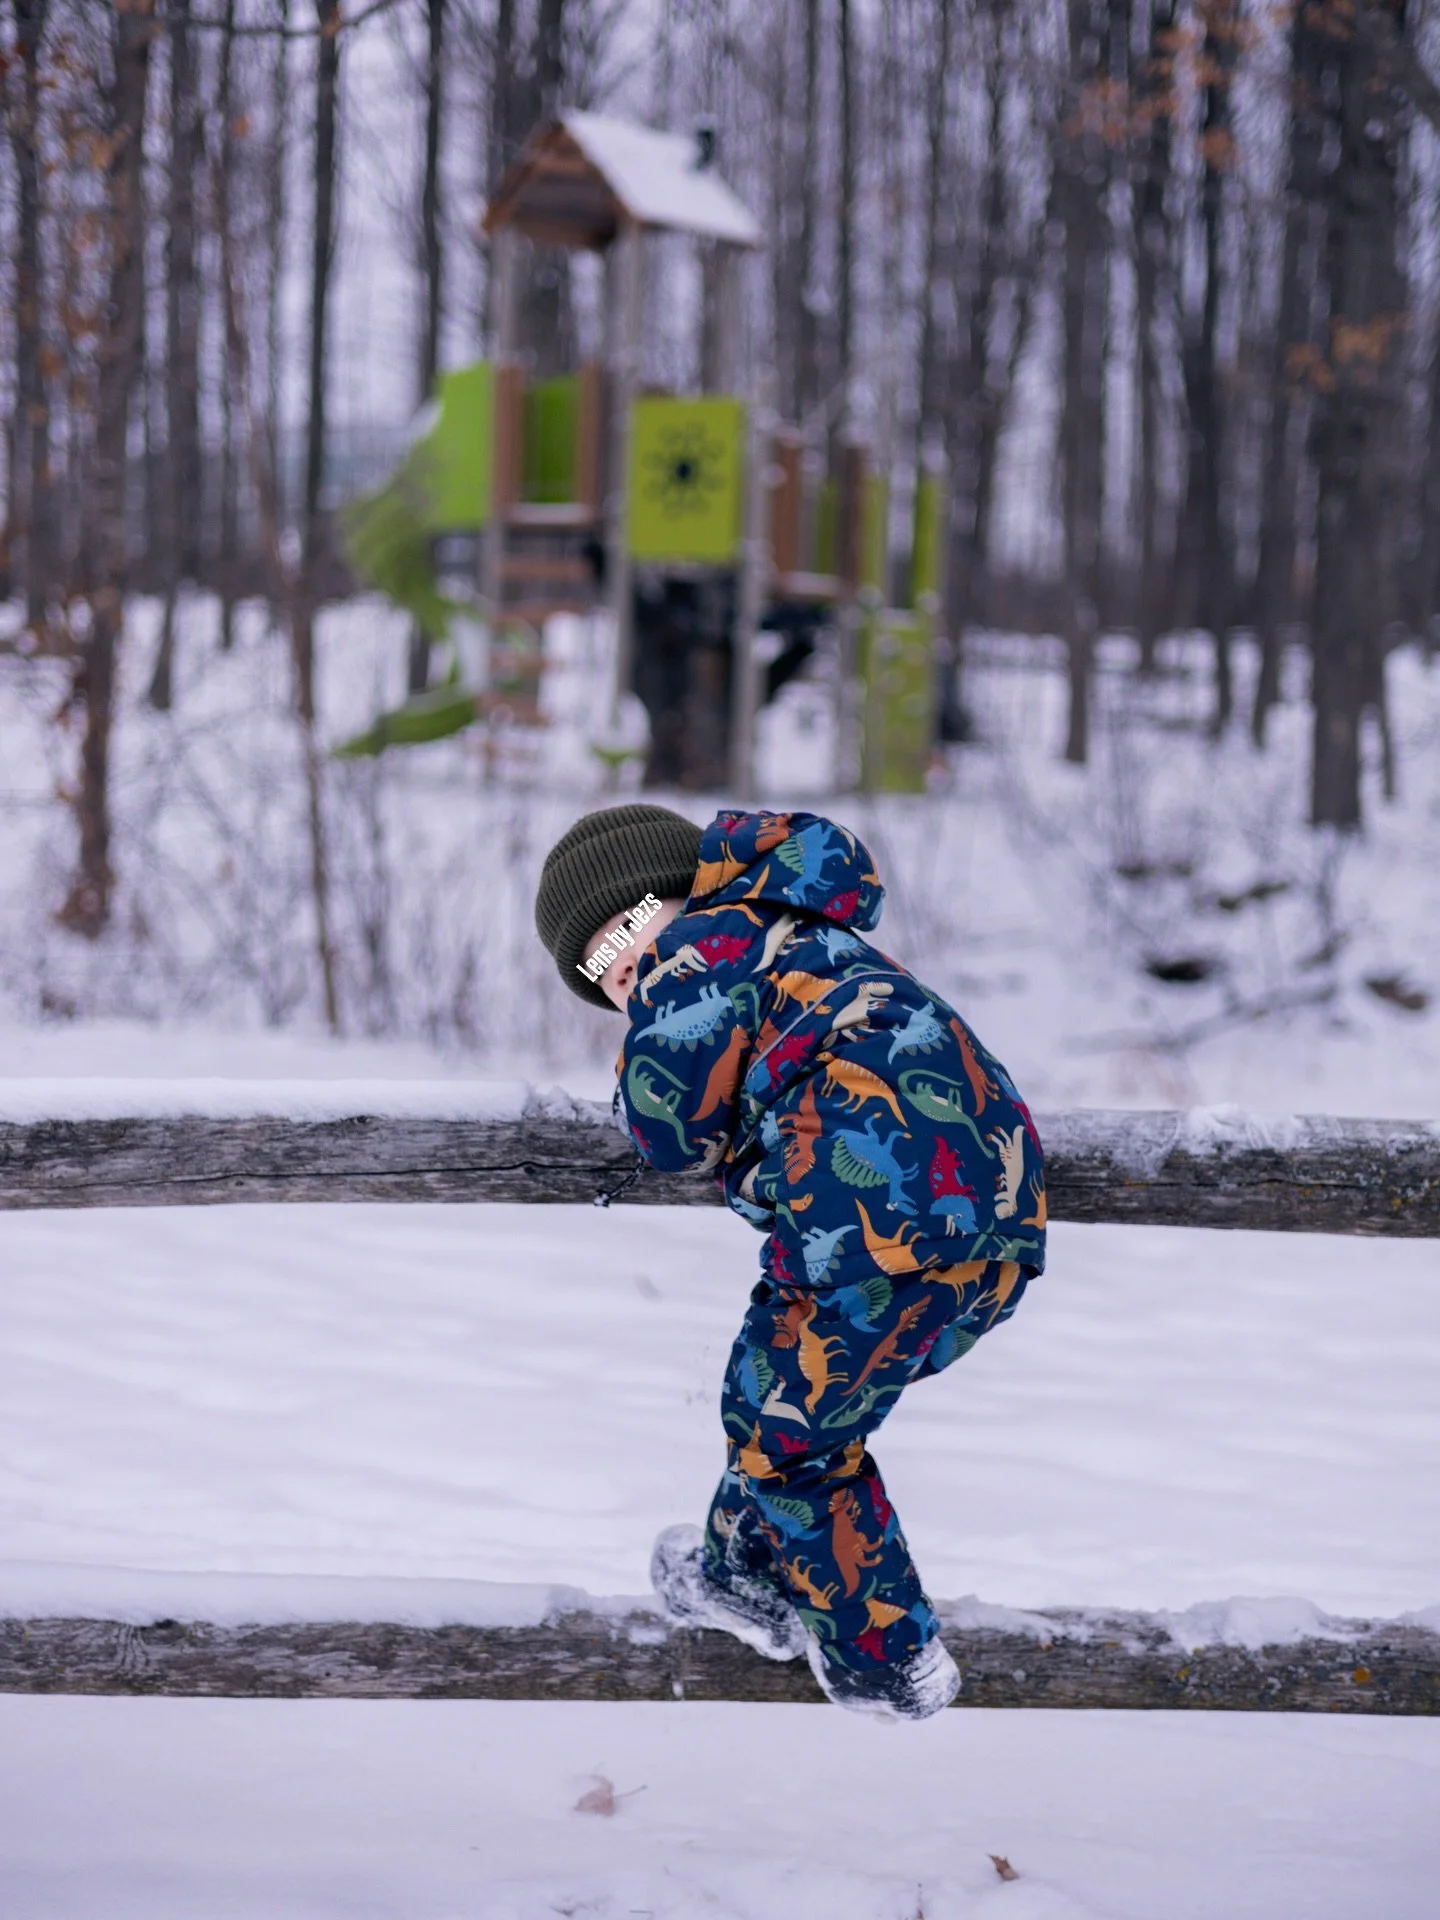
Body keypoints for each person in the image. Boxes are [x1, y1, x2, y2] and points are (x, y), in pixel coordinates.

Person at [534, 802, 1046, 1720]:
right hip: (993, 1222)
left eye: (630, 932)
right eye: (598, 969)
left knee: (791, 1442)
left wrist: (630, 1079)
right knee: (780, 1406)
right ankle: (738, 1573)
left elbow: (666, 1125)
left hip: (873, 1228)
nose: (625, 970)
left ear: (674, 900)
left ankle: (890, 1664)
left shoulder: (703, 946)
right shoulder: (800, 936)